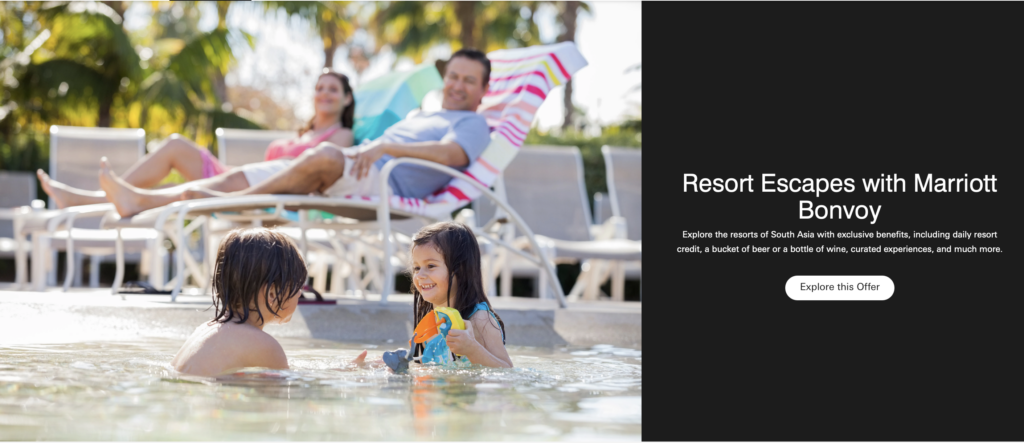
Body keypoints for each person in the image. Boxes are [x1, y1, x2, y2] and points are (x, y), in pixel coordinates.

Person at [49, 48, 493, 218]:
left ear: (482, 90)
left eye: (467, 80)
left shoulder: (474, 124)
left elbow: (453, 157)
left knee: (320, 158)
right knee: (226, 179)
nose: (456, 85)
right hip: (346, 168)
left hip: (382, 183)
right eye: (452, 76)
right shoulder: (420, 115)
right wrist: (378, 145)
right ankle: (139, 200)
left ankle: (227, 205)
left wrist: (382, 146)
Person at [37, 71, 356, 210]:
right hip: (242, 180)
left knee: (174, 189)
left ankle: (88, 199)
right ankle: (94, 197)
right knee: (176, 145)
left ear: (346, 99)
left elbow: (317, 174)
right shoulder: (299, 136)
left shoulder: (339, 135)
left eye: (332, 89)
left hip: (268, 191)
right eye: (319, 87)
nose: (324, 94)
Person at [171, 228, 367, 376]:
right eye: (298, 287)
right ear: (272, 294)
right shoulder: (264, 346)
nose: (300, 294)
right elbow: (284, 392)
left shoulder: (205, 329)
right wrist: (346, 373)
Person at [408, 221, 512, 368]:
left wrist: (472, 349)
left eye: (431, 266)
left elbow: (506, 371)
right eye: (417, 268)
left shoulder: (480, 319)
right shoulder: (433, 321)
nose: (420, 275)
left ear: (460, 270)